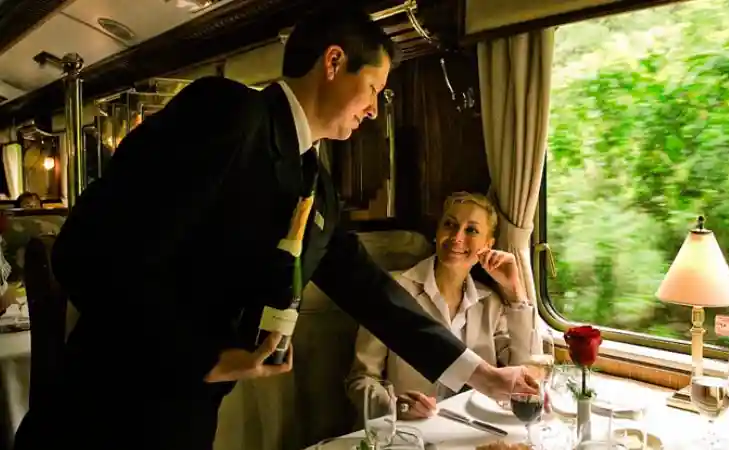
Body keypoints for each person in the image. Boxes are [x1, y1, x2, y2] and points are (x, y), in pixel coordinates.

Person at [13, 6, 535, 450]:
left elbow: (372, 293)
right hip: (105, 408)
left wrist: (485, 375)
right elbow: (85, 252)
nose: (375, 111)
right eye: (374, 87)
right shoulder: (227, 113)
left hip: (187, 417)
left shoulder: (317, 185)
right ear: (334, 62)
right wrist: (204, 358)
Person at [346, 192, 536, 422]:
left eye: (471, 230)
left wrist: (515, 290)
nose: (457, 237)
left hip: (472, 430)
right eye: (450, 224)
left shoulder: (491, 303)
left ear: (488, 245)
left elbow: (524, 371)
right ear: (437, 232)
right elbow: (360, 380)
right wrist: (395, 406)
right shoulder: (393, 292)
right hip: (411, 432)